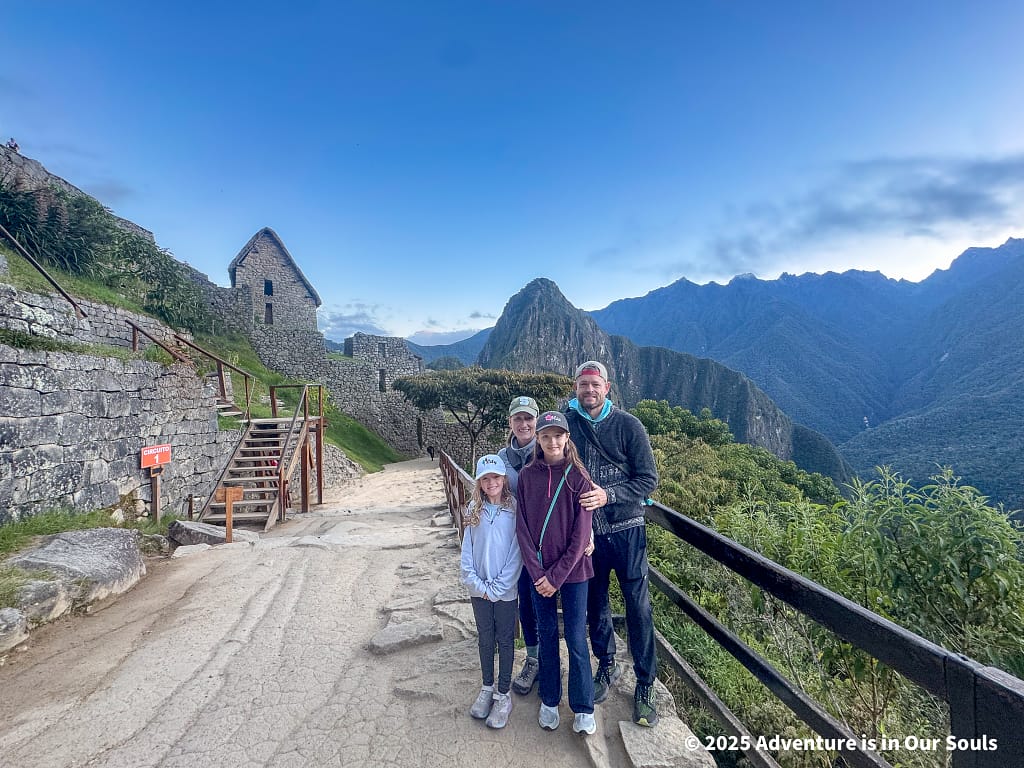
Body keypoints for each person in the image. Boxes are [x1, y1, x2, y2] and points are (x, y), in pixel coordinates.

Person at [565, 360, 661, 727]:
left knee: (638, 607)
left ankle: (646, 683)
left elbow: (647, 480)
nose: (588, 390)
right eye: (582, 384)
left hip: (626, 529)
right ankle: (607, 665)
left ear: (607, 388)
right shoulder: (568, 423)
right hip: (588, 535)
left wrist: (609, 495)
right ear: (575, 387)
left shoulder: (628, 426)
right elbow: (548, 456)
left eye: (595, 385)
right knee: (595, 604)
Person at [515, 411, 596, 735]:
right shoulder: (527, 476)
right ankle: (549, 699)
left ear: (566, 438)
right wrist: (538, 574)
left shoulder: (578, 477)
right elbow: (522, 529)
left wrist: (555, 577)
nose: (552, 441)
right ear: (539, 438)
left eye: (558, 435)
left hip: (574, 572)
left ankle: (583, 707)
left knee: (576, 638)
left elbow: (581, 536)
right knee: (547, 636)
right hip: (539, 572)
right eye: (546, 436)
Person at [459, 454, 522, 729]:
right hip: (479, 590)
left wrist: (497, 587)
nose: (491, 482)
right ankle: (487, 687)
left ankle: (503, 694)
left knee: (505, 640)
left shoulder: (514, 510)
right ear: (480, 483)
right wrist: (477, 585)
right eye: (486, 478)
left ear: (503, 479)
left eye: (496, 477)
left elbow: (517, 551)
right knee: (485, 638)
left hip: (505, 590)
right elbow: (467, 551)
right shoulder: (474, 509)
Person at [497, 395, 541, 695]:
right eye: (518, 419)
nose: (523, 424)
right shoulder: (501, 459)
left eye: (528, 418)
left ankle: (551, 660)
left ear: (536, 421)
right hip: (516, 545)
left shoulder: (550, 450)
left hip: (548, 543)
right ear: (510, 422)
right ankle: (534, 659)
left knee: (548, 602)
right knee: (526, 602)